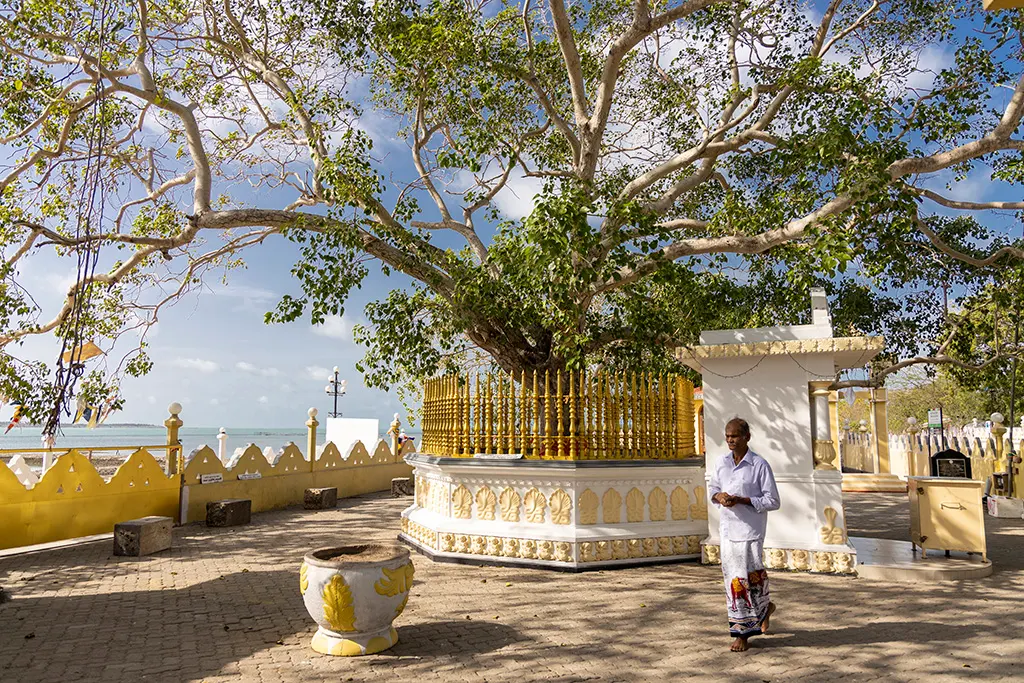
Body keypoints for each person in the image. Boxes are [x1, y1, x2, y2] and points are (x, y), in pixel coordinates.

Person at [708, 417, 781, 652]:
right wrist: (720, 497)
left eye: (735, 436)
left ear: (747, 437)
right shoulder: (721, 463)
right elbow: (713, 488)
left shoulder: (759, 465)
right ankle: (747, 627)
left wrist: (743, 500)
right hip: (729, 531)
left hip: (750, 532)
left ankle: (750, 625)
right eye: (727, 436)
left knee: (751, 579)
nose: (730, 440)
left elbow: (773, 501)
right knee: (734, 582)